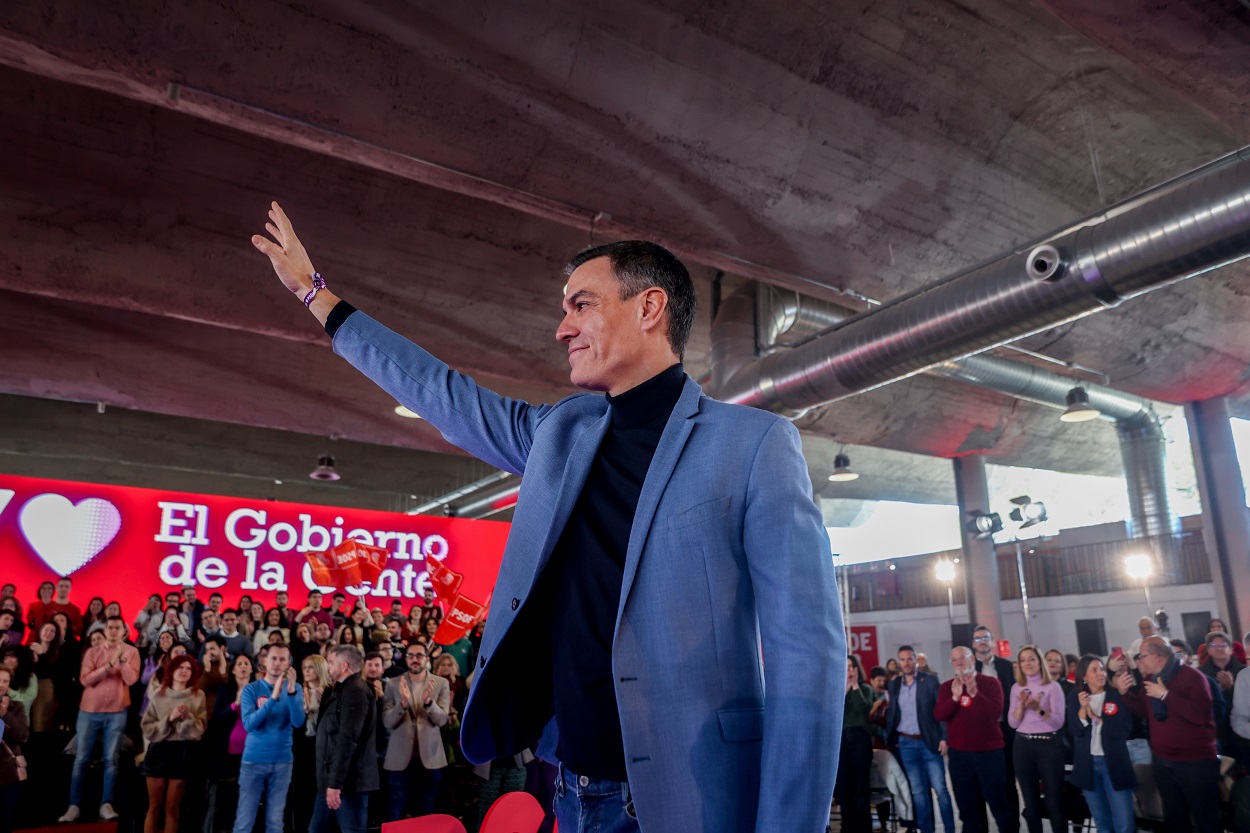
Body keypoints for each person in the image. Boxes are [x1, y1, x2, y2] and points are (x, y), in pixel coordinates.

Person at [253, 203, 844, 833]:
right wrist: (317, 297)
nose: (562, 328)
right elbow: (440, 392)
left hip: (697, 795)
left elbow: (806, 653)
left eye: (581, 305)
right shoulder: (561, 432)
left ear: (648, 308)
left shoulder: (754, 445)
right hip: (578, 791)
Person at [1121, 635, 1220, 833]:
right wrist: (1125, 694)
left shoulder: (1193, 677)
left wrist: (1166, 695)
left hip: (1194, 762)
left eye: (1142, 655)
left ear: (1157, 656)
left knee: (1205, 819)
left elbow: (1200, 715)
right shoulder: (1151, 678)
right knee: (1174, 818)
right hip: (1163, 761)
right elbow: (1144, 710)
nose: (1139, 660)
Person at [61, 615, 139, 822]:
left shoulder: (132, 652)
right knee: (81, 759)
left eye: (117, 628)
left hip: (117, 711)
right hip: (89, 710)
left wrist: (121, 662)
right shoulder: (92, 651)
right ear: (105, 631)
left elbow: (131, 679)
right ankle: (74, 805)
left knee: (111, 760)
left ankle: (106, 803)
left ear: (124, 631)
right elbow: (85, 680)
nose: (113, 631)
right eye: (110, 628)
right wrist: (107, 666)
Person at [935, 646, 1011, 833]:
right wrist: (954, 697)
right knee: (968, 810)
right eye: (955, 659)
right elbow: (939, 715)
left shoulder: (990, 683)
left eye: (963, 657)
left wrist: (975, 694)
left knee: (999, 805)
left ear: (973, 659)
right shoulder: (947, 687)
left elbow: (994, 713)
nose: (959, 662)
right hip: (960, 756)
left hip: (989, 754)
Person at [233, 643, 304, 833]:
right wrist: (272, 698)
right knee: (244, 821)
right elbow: (249, 724)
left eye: (282, 659)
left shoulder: (295, 688)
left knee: (275, 820)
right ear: (265, 660)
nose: (277, 663)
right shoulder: (251, 689)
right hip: (253, 760)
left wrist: (290, 693)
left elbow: (298, 722)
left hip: (282, 761)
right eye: (273, 658)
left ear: (288, 663)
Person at [886, 645, 954, 833]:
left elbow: (940, 711)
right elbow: (893, 713)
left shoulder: (930, 681)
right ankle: (926, 830)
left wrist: (944, 737)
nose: (906, 663)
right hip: (906, 744)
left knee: (940, 790)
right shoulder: (893, 684)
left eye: (910, 658)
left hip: (928, 742)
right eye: (903, 659)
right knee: (918, 792)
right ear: (899, 662)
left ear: (915, 660)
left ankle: (950, 829)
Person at [312, 645, 378, 833]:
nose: (328, 667)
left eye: (331, 662)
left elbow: (348, 739)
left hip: (348, 784)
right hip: (332, 780)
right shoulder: (341, 689)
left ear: (344, 666)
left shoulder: (355, 691)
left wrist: (335, 783)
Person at [1067, 654, 1136, 833]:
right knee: (1102, 823)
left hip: (1113, 762)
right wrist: (1083, 711)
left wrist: (1099, 720)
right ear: (1084, 676)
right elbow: (1075, 730)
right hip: (1088, 764)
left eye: (1102, 669)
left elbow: (1123, 730)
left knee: (1124, 823)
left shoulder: (1116, 695)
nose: (1101, 674)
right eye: (1094, 670)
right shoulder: (1076, 697)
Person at [140, 654, 207, 833]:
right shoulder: (159, 695)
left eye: (188, 669)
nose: (184, 671)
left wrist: (187, 719)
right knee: (154, 807)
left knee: (172, 807)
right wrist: (169, 719)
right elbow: (147, 727)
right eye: (180, 667)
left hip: (183, 751)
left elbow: (200, 729)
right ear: (172, 670)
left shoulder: (198, 695)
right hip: (159, 751)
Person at [383, 643, 450, 819]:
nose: (415, 659)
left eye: (419, 655)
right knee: (395, 814)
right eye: (411, 656)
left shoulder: (441, 683)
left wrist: (429, 703)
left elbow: (442, 720)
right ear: (405, 659)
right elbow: (387, 721)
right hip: (399, 760)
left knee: (426, 813)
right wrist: (403, 704)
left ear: (427, 659)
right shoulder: (392, 684)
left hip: (430, 759)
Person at [1006, 645, 1066, 833]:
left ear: (1040, 662)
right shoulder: (1017, 688)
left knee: (1054, 802)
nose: (1027, 664)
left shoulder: (1053, 687)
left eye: (1031, 659)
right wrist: (1022, 707)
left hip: (1048, 746)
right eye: (1023, 660)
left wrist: (1038, 710)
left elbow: (1058, 722)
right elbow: (1012, 723)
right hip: (1023, 746)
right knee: (1031, 804)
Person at [970, 624, 1018, 832]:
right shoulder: (969, 668)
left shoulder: (1007, 667)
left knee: (1008, 781)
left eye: (985, 638)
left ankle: (1012, 827)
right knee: (980, 785)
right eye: (978, 638)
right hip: (980, 732)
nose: (982, 641)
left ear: (992, 642)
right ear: (973, 644)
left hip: (1006, 729)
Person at [835, 655, 875, 833]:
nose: (849, 670)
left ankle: (864, 827)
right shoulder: (837, 690)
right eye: (847, 666)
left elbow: (862, 708)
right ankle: (847, 826)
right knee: (844, 786)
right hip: (841, 740)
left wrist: (855, 685)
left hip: (860, 738)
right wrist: (845, 687)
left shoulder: (865, 688)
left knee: (861, 786)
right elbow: (837, 708)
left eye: (852, 666)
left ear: (857, 669)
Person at [293, 654, 331, 832]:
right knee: (303, 793)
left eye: (310, 667)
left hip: (323, 749)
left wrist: (316, 709)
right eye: (304, 667)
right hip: (302, 749)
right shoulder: (298, 691)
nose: (306, 671)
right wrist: (303, 711)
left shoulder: (330, 691)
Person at [0, 666, 30, 833]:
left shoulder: (16, 707)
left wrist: (5, 715)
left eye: (6, 681)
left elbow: (22, 735)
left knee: (6, 821)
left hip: (9, 774)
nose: (1, 684)